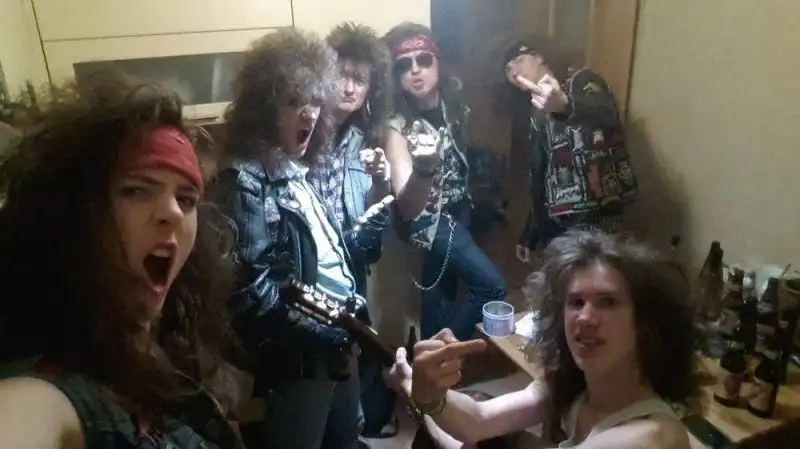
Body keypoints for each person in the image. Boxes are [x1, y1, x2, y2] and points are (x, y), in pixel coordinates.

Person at [0, 80, 245, 448]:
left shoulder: (172, 342)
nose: (173, 212)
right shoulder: (50, 390)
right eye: (136, 190)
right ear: (71, 215)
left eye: (186, 198)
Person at [211, 28, 388, 449]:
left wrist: (363, 232)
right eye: (293, 102)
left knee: (346, 439)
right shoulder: (245, 181)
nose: (309, 114)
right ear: (263, 108)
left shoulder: (293, 171)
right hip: (301, 361)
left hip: (335, 344)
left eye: (314, 101)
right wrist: (327, 336)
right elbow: (250, 297)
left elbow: (317, 257)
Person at [386, 229, 699, 448]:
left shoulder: (649, 438)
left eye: (608, 302)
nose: (585, 317)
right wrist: (426, 393)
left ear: (646, 325)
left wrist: (418, 398)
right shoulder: (575, 387)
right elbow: (478, 420)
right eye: (576, 302)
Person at [382, 22, 506, 341]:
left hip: (460, 210)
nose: (415, 70)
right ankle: (440, 352)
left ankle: (428, 362)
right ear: (396, 76)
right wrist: (424, 168)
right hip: (431, 221)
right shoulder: (397, 127)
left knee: (439, 298)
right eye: (404, 65)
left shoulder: (454, 106)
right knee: (492, 287)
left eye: (424, 60)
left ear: (438, 63)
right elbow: (406, 205)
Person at [307, 22, 398, 438]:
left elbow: (371, 228)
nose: (348, 87)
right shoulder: (303, 130)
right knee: (313, 380)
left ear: (369, 90)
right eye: (341, 75)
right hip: (308, 271)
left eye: (359, 80)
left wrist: (380, 181)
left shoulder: (363, 140)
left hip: (350, 268)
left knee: (347, 364)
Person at [504, 36, 638, 265]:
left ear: (540, 57)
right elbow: (540, 175)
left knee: (598, 277)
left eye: (519, 60)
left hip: (597, 216)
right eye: (507, 69)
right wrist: (530, 233)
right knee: (560, 282)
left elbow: (605, 115)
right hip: (556, 225)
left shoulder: (583, 81)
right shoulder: (536, 113)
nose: (514, 71)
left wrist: (565, 105)